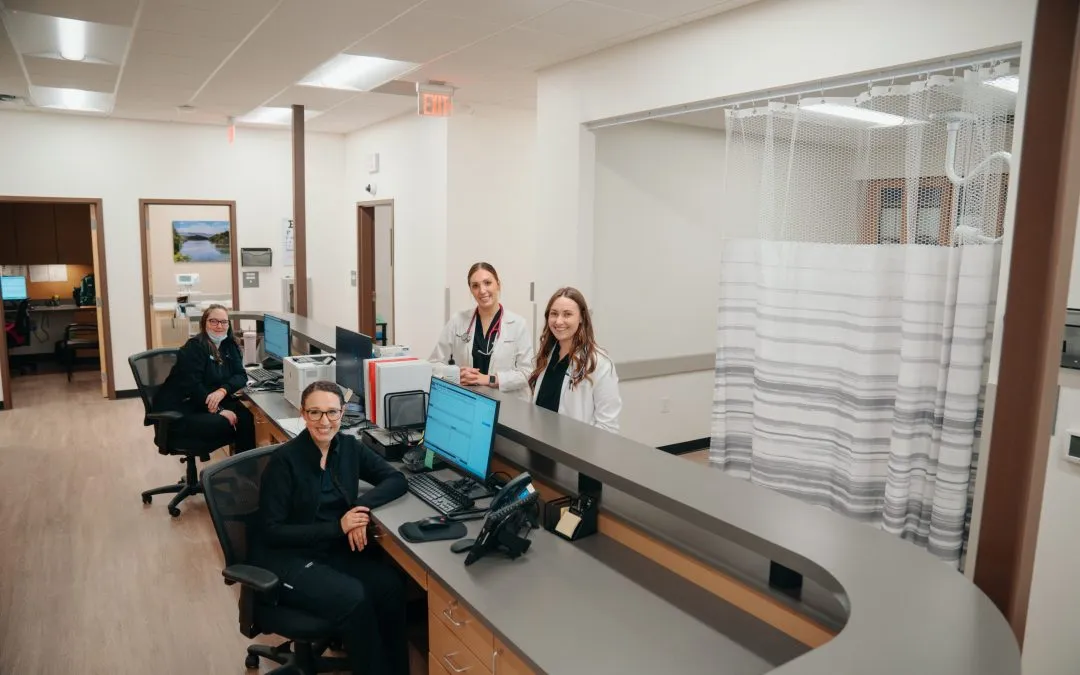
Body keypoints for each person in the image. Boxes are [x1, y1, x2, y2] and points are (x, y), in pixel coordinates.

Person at [252, 380, 409, 675]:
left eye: (332, 413)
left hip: (330, 551)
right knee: (354, 598)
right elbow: (272, 531)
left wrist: (358, 509)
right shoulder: (284, 462)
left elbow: (396, 479)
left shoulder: (348, 447)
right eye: (315, 413)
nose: (324, 422)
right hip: (287, 558)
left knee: (390, 585)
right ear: (303, 414)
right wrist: (339, 527)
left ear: (343, 413)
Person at [153, 304, 256, 452]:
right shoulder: (194, 348)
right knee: (227, 421)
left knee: (246, 417)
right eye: (213, 321)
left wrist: (223, 390)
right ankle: (233, 467)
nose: (219, 326)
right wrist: (220, 410)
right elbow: (193, 388)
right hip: (186, 407)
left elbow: (241, 375)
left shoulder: (229, 345)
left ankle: (245, 471)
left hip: (211, 399)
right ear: (204, 323)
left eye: (224, 322)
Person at [430, 262, 534, 395]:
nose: (482, 290)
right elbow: (433, 364)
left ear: (498, 284)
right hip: (468, 399)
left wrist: (490, 379)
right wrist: (456, 374)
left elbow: (527, 373)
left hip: (507, 404)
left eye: (487, 283)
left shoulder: (518, 324)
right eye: (475, 286)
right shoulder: (458, 320)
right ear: (471, 290)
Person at [528, 287, 622, 433]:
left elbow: (607, 426)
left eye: (567, 314)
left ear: (581, 318)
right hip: (539, 445)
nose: (559, 321)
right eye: (554, 314)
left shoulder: (599, 364)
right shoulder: (547, 354)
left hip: (574, 451)